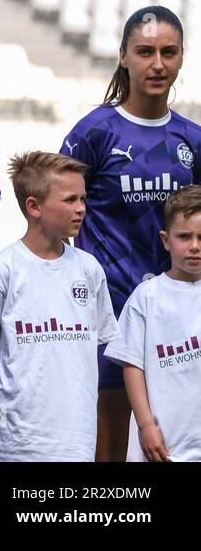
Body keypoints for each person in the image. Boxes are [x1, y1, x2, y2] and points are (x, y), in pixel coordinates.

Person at [59, 5, 201, 461]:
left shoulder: (191, 140)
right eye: (144, 52)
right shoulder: (94, 131)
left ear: (181, 57)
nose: (157, 64)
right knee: (109, 447)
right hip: (106, 313)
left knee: (173, 440)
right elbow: (54, 213)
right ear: (123, 56)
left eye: (168, 52)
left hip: (177, 318)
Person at [0, 152, 119, 462]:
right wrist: (9, 402)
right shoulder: (3, 270)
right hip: (19, 445)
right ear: (34, 206)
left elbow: (95, 350)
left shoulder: (89, 269)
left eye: (83, 199)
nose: (81, 208)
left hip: (77, 441)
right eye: (70, 200)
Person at [104, 185, 201, 462]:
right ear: (166, 239)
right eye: (184, 236)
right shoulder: (146, 297)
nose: (194, 246)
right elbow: (132, 365)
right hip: (164, 444)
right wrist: (146, 425)